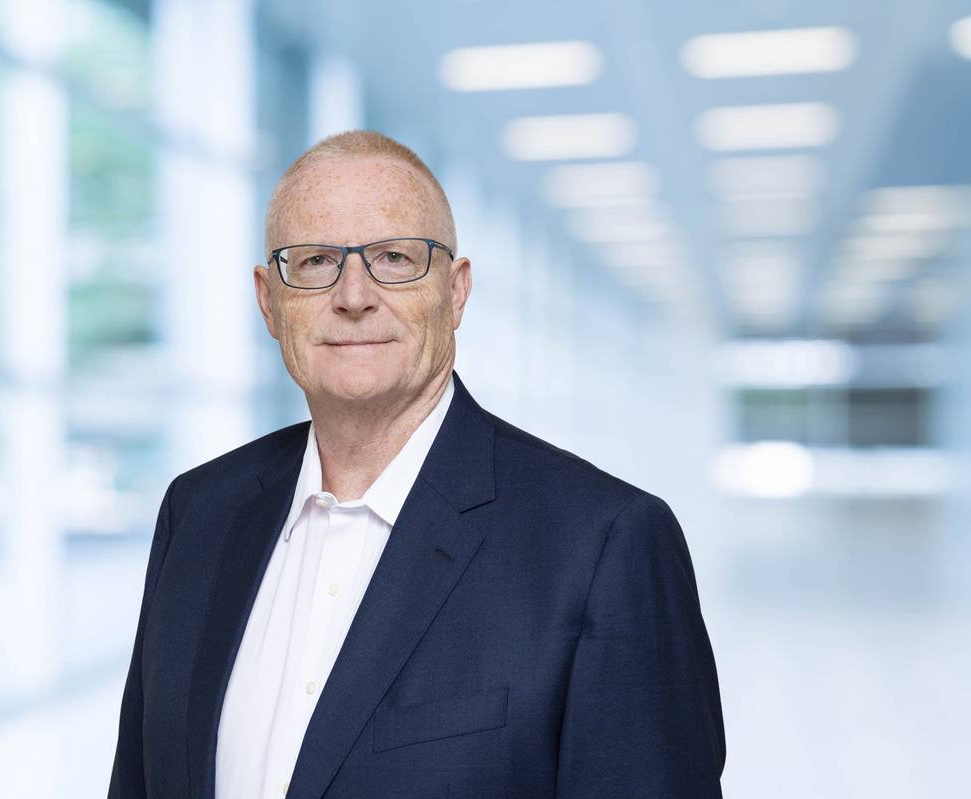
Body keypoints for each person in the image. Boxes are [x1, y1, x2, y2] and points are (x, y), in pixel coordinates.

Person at [108, 130, 725, 799]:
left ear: (455, 292)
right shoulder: (199, 511)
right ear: (269, 301)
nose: (353, 295)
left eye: (394, 258)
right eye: (315, 261)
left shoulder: (603, 543)